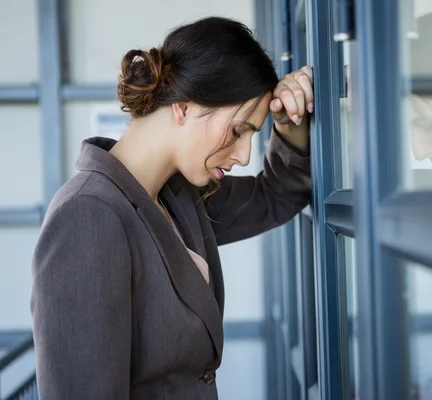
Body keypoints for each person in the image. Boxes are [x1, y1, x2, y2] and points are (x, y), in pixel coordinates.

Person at [30, 17, 313, 399]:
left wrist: (289, 124)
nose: (245, 155)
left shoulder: (179, 196)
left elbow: (274, 197)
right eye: (239, 130)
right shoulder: (87, 215)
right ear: (183, 107)